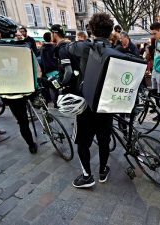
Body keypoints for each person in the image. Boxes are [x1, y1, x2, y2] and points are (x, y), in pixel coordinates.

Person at [57, 13, 114, 188]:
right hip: (106, 105)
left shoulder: (85, 47)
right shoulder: (115, 50)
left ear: (92, 30)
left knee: (83, 141)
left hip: (86, 104)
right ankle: (103, 171)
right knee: (104, 140)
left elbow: (69, 47)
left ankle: (87, 176)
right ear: (110, 31)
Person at [0, 16, 37, 152]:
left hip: (8, 92)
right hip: (28, 88)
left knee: (22, 122)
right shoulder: (25, 46)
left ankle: (31, 145)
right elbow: (36, 70)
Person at [50, 24, 81, 95]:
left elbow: (68, 71)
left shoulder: (62, 49)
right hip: (75, 81)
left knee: (51, 82)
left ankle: (56, 103)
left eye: (51, 33)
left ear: (54, 34)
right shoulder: (69, 44)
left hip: (69, 85)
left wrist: (62, 84)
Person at [39, 32, 59, 105]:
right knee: (56, 87)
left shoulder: (42, 47)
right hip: (54, 71)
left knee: (51, 87)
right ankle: (56, 103)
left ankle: (54, 102)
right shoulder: (53, 47)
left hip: (46, 71)